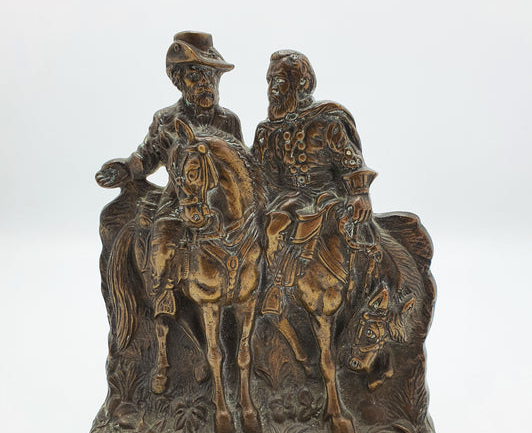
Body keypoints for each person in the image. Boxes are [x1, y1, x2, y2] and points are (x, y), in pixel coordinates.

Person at [95, 32, 243, 329]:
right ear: (179, 81)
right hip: (180, 199)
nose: (204, 83)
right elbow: (146, 157)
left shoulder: (228, 121)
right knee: (163, 236)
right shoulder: (166, 120)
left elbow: (241, 165)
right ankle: (163, 295)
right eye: (194, 76)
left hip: (220, 205)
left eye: (210, 76)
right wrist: (126, 168)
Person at [251, 49, 376, 286]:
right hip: (282, 199)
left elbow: (350, 161)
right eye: (269, 81)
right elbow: (256, 172)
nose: (272, 89)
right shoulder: (266, 131)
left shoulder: (326, 120)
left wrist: (360, 193)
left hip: (325, 199)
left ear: (302, 83)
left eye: (279, 81)